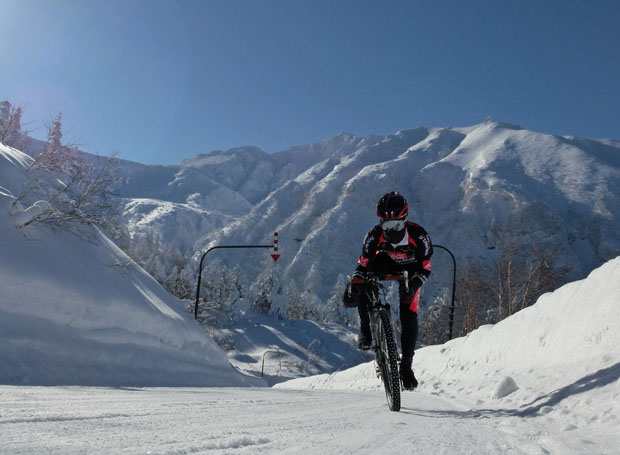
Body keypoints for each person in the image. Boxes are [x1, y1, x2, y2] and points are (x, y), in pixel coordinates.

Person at [343, 191, 433, 390]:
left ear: (405, 220)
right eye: (387, 225)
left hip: (411, 271)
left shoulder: (419, 236)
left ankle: (407, 368)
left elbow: (426, 269)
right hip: (383, 265)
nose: (391, 231)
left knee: (409, 315)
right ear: (380, 222)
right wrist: (355, 285)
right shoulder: (373, 237)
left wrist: (415, 285)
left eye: (397, 225)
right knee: (364, 282)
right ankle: (366, 330)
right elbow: (362, 265)